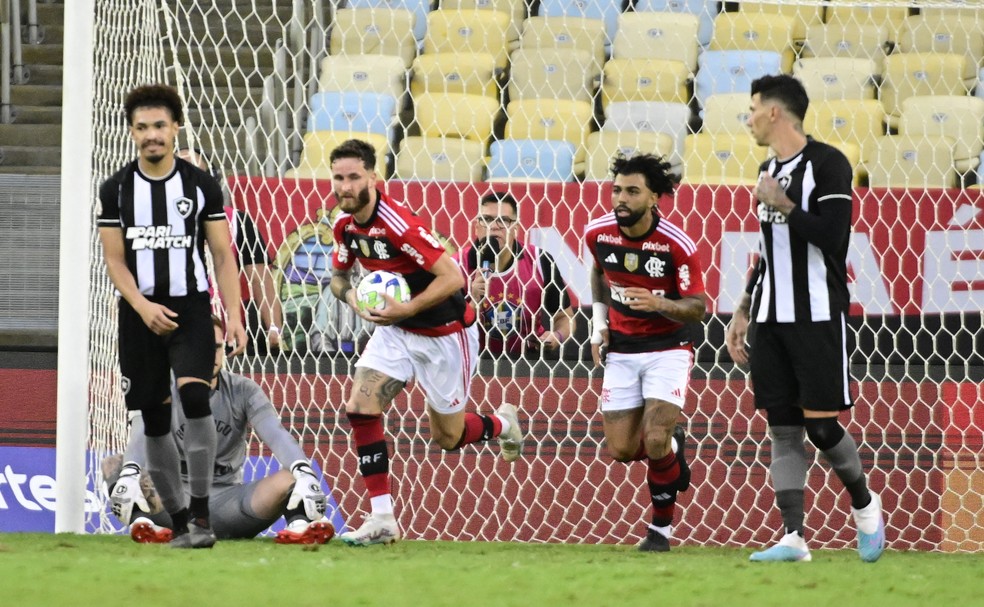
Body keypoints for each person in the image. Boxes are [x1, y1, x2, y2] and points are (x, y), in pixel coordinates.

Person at [327, 139, 524, 546]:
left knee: (448, 438)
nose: (344, 186)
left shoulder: (398, 224)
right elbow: (338, 278)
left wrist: (407, 307)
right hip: (396, 331)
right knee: (361, 407)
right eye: (338, 178)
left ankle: (504, 423)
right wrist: (354, 299)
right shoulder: (344, 226)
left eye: (353, 177)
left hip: (444, 333)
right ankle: (382, 518)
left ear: (373, 178)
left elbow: (453, 277)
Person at [725, 74, 885, 563]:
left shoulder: (828, 164)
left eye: (752, 108)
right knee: (783, 427)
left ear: (775, 113)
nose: (748, 118)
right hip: (771, 315)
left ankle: (865, 504)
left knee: (820, 427)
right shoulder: (766, 166)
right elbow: (770, 250)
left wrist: (786, 205)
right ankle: (793, 537)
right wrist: (745, 307)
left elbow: (835, 237)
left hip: (816, 312)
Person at [97, 84, 247, 549]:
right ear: (132, 132)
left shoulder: (200, 185)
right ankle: (181, 521)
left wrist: (236, 315)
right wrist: (142, 306)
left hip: (191, 310)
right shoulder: (116, 189)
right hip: (138, 314)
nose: (151, 136)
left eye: (159, 126)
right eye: (142, 128)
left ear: (175, 127)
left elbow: (223, 255)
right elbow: (115, 261)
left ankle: (201, 514)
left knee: (196, 399)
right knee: (155, 418)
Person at [103, 315, 333, 545]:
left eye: (217, 347)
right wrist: (131, 471)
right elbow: (142, 431)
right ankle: (143, 526)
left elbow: (275, 433)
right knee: (115, 465)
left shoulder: (243, 390)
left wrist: (303, 470)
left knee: (291, 477)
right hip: (173, 505)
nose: (211, 355)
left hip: (231, 507)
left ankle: (300, 527)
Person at [585, 152, 706, 552]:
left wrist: (659, 305)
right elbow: (599, 271)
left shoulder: (676, 244)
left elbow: (697, 306)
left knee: (653, 438)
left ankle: (660, 533)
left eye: (632, 191)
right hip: (622, 348)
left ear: (654, 197)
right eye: (617, 189)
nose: (621, 198)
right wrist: (599, 322)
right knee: (620, 450)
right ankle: (673, 448)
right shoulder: (598, 233)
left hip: (669, 347)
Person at [175, 147, 284, 354]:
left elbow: (261, 278)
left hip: (230, 333)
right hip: (175, 329)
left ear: (210, 181)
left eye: (195, 173)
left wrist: (273, 328)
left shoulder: (237, 221)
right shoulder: (155, 224)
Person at [453, 191, 576, 358]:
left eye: (503, 220)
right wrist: (473, 301)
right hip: (475, 364)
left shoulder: (539, 261)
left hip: (526, 365)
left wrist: (557, 336)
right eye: (487, 219)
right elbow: (448, 330)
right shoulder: (456, 266)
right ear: (476, 227)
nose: (494, 226)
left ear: (515, 228)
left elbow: (565, 317)